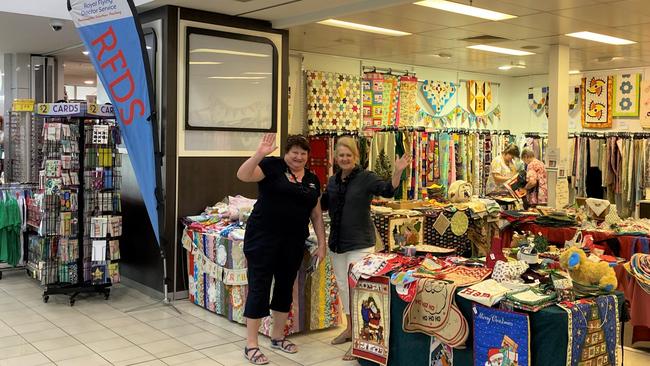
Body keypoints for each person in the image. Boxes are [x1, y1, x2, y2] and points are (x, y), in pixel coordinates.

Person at [237, 133, 326, 365]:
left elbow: (316, 215)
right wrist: (260, 153)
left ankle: (277, 337)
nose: (298, 156)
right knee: (260, 287)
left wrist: (322, 243)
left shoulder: (312, 179)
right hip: (262, 239)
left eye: (303, 153)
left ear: (308, 156)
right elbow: (243, 175)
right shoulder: (272, 166)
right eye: (294, 152)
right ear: (286, 153)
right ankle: (251, 344)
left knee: (285, 288)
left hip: (293, 241)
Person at [323, 136, 410, 361]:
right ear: (336, 157)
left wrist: (398, 171)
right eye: (341, 155)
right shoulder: (332, 181)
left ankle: (361, 341)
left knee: (360, 290)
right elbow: (323, 204)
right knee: (343, 287)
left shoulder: (366, 178)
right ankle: (350, 329)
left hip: (360, 244)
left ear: (356, 157)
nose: (344, 159)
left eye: (348, 155)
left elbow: (388, 190)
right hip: (337, 243)